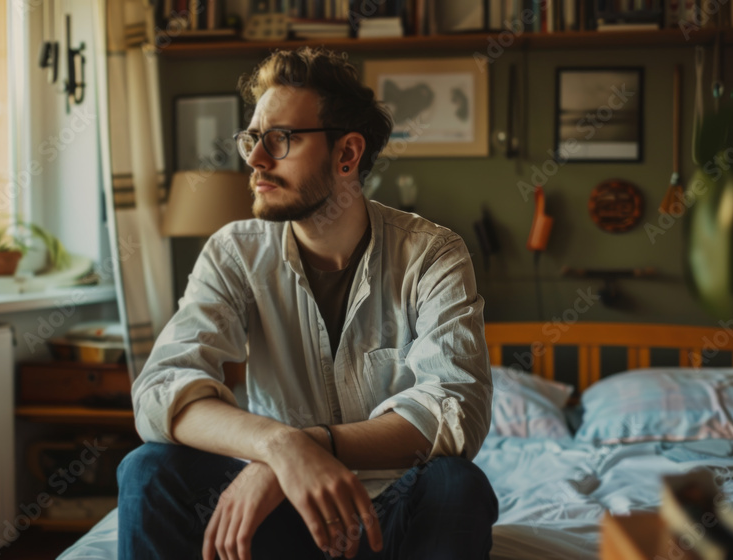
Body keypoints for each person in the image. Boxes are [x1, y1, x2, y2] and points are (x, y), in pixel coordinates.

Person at [117, 46, 496, 560]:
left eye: (280, 139)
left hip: (388, 516)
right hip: (276, 514)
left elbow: (455, 410)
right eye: (252, 139)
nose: (254, 159)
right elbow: (160, 391)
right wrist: (277, 448)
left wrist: (313, 444)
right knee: (148, 468)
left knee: (458, 484)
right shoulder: (235, 253)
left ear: (347, 154)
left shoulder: (432, 254)